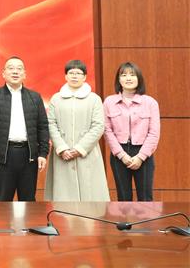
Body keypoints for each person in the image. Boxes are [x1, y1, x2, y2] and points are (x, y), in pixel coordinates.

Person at [0, 56, 49, 201]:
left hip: (29, 155)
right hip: (3, 156)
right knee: (3, 201)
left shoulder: (35, 97)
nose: (15, 72)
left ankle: (28, 219)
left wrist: (43, 153)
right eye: (11, 68)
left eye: (19, 69)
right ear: (3, 73)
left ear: (25, 74)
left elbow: (42, 127)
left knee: (28, 200)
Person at [45, 60, 110, 201]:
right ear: (66, 76)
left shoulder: (94, 99)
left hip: (87, 154)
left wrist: (80, 148)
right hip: (63, 154)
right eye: (71, 73)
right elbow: (51, 124)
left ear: (85, 77)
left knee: (90, 197)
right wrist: (62, 148)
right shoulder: (56, 99)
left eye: (79, 73)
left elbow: (98, 126)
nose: (74, 76)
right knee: (63, 198)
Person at [103, 62, 160, 201]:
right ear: (119, 79)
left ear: (139, 78)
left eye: (132, 75)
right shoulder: (109, 102)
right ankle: (125, 218)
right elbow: (107, 130)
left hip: (143, 153)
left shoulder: (150, 102)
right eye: (124, 75)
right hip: (119, 154)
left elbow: (154, 133)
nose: (128, 78)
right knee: (123, 198)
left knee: (145, 198)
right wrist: (122, 155)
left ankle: (146, 218)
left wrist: (141, 157)